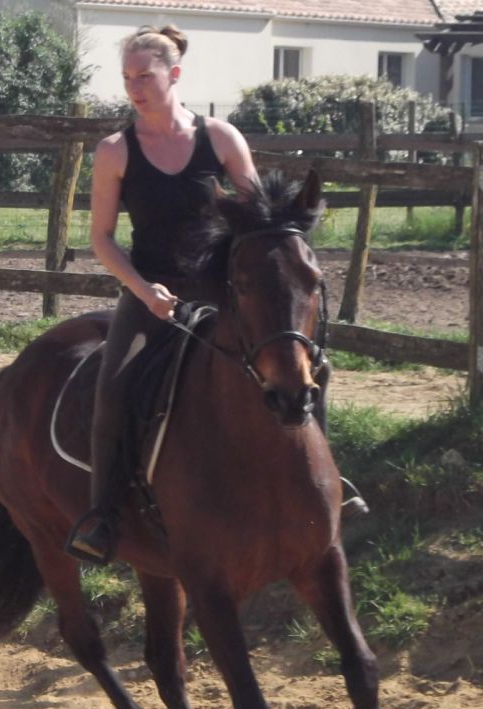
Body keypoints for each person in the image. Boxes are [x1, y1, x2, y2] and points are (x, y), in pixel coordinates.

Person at [65, 24, 365, 564]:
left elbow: (260, 219)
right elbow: (102, 240)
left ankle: (327, 482)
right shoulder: (114, 151)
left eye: (145, 76)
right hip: (151, 292)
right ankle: (102, 515)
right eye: (128, 78)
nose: (134, 88)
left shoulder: (222, 138)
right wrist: (144, 290)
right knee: (113, 387)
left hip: (223, 290)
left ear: (174, 74)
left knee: (309, 366)